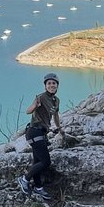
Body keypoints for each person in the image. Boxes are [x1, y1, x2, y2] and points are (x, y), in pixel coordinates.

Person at [18, 72, 64, 200]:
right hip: (34, 131)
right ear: (45, 86)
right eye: (49, 83)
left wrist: (59, 128)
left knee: (37, 162)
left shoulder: (56, 100)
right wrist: (34, 106)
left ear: (57, 85)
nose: (51, 85)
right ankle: (24, 179)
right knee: (45, 162)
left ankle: (38, 187)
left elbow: (55, 115)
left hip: (42, 133)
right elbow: (28, 111)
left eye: (53, 83)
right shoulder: (40, 97)